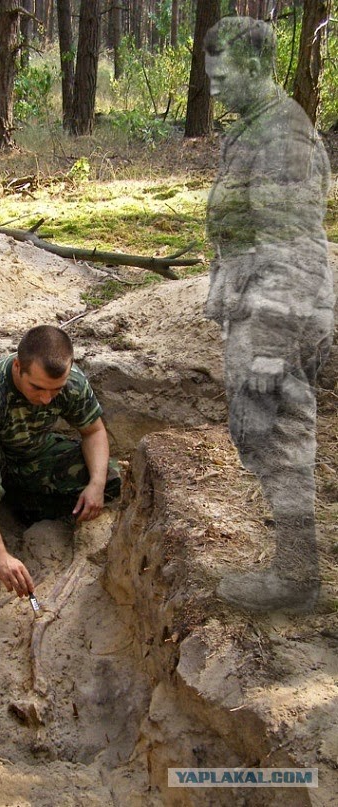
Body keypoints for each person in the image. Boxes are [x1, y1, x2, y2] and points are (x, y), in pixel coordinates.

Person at [204, 17, 335, 612]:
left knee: (281, 436)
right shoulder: (252, 129)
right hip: (254, 306)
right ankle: (289, 565)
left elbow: (297, 252)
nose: (214, 89)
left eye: (223, 75)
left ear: (256, 68)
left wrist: (270, 344)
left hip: (277, 316)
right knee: (257, 434)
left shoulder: (284, 139)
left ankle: (295, 580)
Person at [0, 325, 121, 597]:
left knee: (110, 477)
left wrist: (97, 484)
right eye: (37, 388)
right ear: (18, 367)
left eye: (55, 390)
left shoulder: (71, 382)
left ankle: (27, 505)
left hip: (34, 456)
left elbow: (94, 431)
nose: (45, 399)